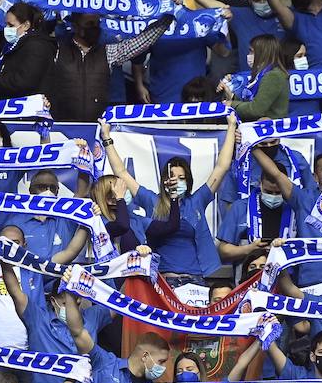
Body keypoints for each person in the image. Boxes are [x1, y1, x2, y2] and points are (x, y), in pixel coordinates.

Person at [103, 115, 237, 283]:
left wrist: (231, 126)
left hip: (195, 279)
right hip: (164, 281)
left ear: (188, 182)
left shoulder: (197, 201)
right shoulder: (152, 201)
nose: (176, 181)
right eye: (172, 177)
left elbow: (221, 167)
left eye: (181, 178)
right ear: (164, 180)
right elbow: (121, 172)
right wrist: (106, 137)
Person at [0, 2, 56, 102]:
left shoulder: (37, 47)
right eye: (6, 24)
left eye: (11, 25)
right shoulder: (17, 45)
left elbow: (25, 81)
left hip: (26, 110)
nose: (6, 29)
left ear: (26, 25)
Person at [220, 34, 290, 120]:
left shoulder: (273, 76)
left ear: (262, 53)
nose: (249, 55)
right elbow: (252, 101)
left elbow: (256, 109)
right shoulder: (261, 74)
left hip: (270, 129)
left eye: (252, 52)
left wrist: (231, 104)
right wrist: (232, 96)